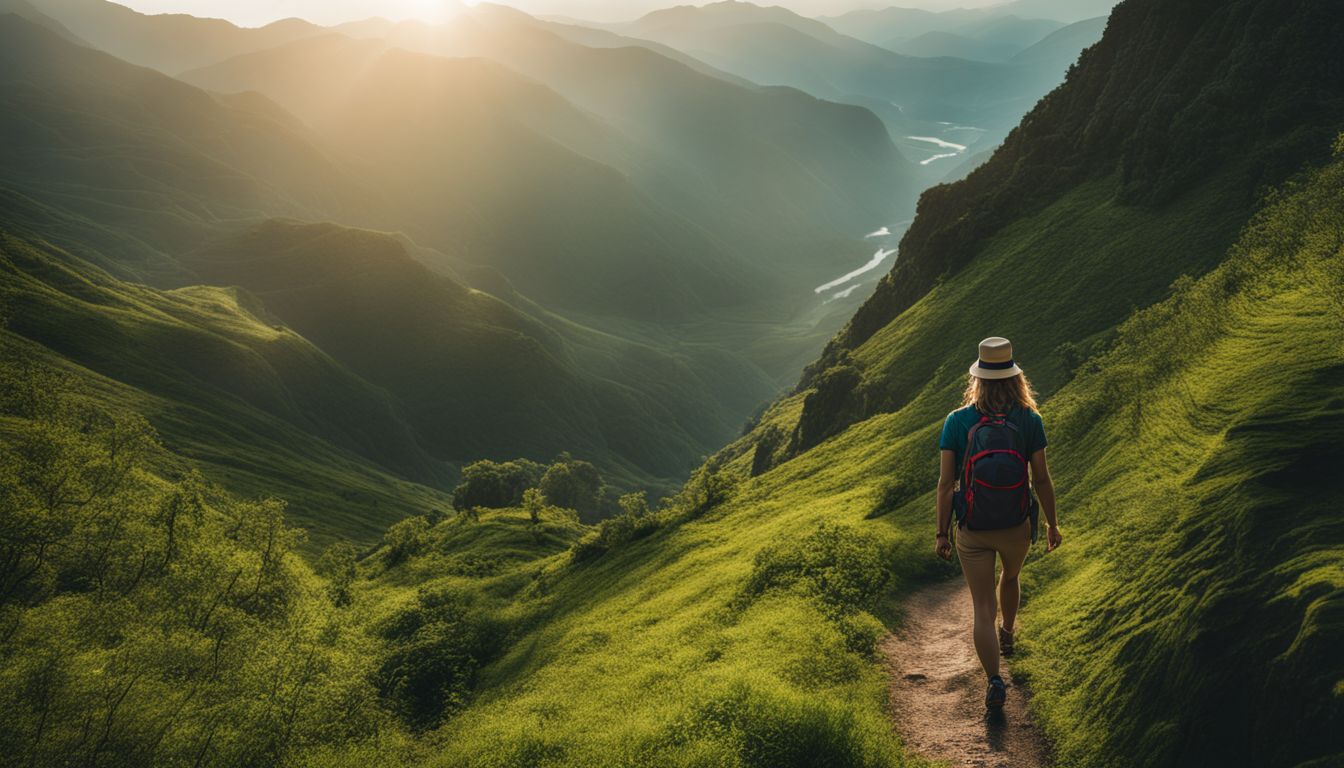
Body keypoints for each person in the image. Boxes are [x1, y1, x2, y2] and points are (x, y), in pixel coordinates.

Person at [934, 337, 1062, 709]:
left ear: (977, 378)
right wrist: (1052, 524)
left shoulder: (957, 421)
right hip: (1016, 526)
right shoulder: (1029, 419)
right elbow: (1041, 479)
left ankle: (994, 680)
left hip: (972, 529)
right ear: (1015, 378)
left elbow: (946, 484)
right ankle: (1008, 633)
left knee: (981, 608)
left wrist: (942, 532)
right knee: (1010, 576)